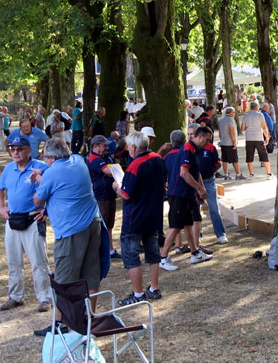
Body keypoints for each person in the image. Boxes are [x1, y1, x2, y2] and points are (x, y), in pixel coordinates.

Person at [31, 138, 104, 319]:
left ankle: (60, 323)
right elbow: (61, 176)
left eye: (46, 157)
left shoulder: (52, 173)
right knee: (90, 272)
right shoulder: (79, 161)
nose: (45, 160)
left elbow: (38, 200)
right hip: (92, 223)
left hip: (70, 230)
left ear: (53, 158)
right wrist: (44, 172)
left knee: (64, 279)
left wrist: (41, 180)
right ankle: (89, 316)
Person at [0, 136, 53, 313]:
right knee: (14, 261)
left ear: (29, 150)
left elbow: (54, 189)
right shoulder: (8, 168)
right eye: (12, 149)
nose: (15, 152)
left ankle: (45, 297)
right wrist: (2, 206)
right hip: (13, 220)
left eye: (19, 149)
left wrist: (47, 211)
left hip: (32, 219)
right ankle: (15, 296)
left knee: (38, 261)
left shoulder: (40, 167)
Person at [113, 130, 166, 304]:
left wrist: (116, 187)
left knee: (130, 254)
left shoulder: (136, 165)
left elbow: (126, 194)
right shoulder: (157, 159)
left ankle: (137, 294)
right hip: (154, 214)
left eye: (128, 146)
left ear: (134, 147)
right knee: (152, 251)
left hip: (135, 217)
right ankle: (154, 287)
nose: (127, 149)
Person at [158, 129, 213, 271]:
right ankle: (163, 257)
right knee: (176, 226)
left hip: (187, 193)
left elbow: (194, 172)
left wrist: (196, 190)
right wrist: (199, 189)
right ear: (200, 136)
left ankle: (195, 253)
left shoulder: (194, 149)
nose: (208, 143)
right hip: (179, 193)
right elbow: (184, 172)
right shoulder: (188, 149)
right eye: (207, 140)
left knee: (188, 223)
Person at [87, 135, 119, 260]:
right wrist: (115, 170)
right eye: (104, 145)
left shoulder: (106, 157)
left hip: (109, 194)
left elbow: (115, 168)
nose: (107, 147)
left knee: (109, 224)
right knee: (102, 225)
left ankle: (110, 249)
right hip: (101, 196)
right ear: (95, 146)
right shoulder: (94, 159)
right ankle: (100, 252)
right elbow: (111, 171)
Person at [195, 123, 227, 244]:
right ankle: (198, 234)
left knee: (214, 208)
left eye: (210, 140)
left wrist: (211, 172)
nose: (209, 141)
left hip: (209, 180)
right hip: (195, 182)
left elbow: (217, 163)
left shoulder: (211, 148)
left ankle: (220, 233)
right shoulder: (192, 149)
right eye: (207, 139)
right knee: (196, 210)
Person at [240, 101, 272, 179]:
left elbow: (242, 128)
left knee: (250, 156)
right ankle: (269, 173)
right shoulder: (260, 115)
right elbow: (264, 127)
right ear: (257, 107)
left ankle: (251, 174)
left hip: (249, 138)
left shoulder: (246, 116)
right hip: (258, 137)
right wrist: (267, 137)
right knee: (264, 155)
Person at [218, 107, 243, 180]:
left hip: (223, 142)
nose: (235, 114)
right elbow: (231, 131)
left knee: (224, 159)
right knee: (234, 159)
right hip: (230, 143)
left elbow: (220, 133)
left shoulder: (221, 120)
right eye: (234, 112)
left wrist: (221, 140)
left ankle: (226, 174)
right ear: (231, 113)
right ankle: (238, 174)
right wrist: (234, 142)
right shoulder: (231, 120)